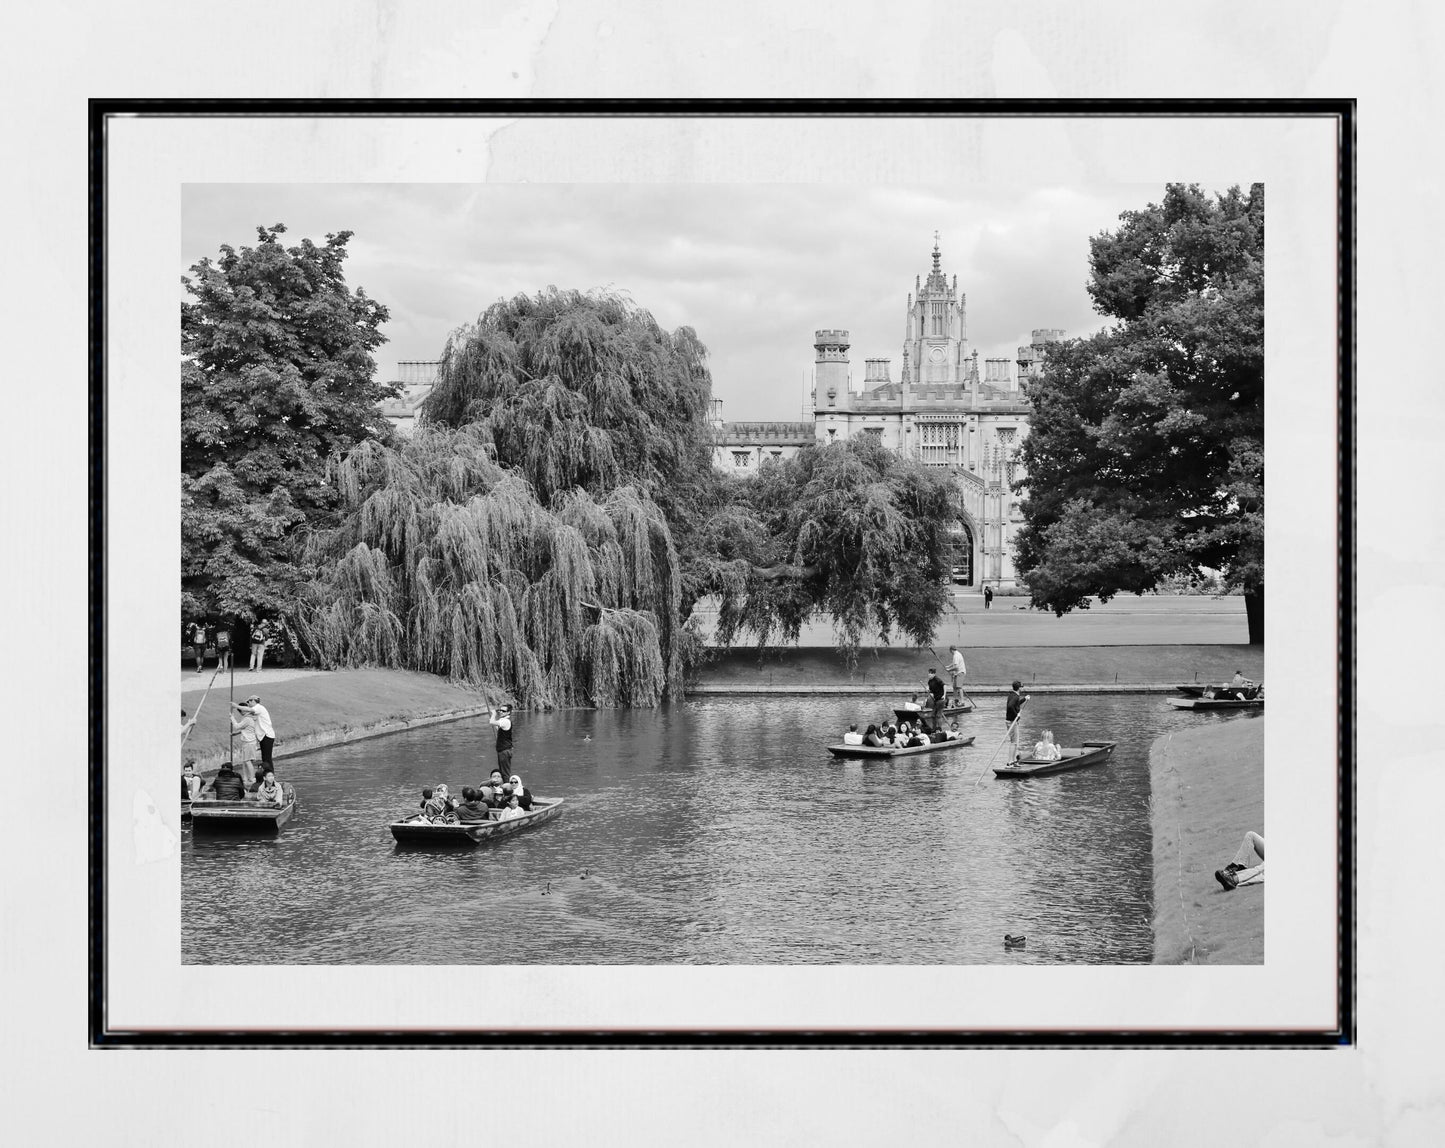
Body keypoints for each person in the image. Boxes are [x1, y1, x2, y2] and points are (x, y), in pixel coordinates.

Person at [234, 695, 276, 768]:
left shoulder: (258, 708)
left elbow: (249, 710)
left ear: (253, 701)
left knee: (267, 758)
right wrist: (237, 733)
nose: (248, 704)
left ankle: (269, 775)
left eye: (248, 702)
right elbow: (251, 727)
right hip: (263, 737)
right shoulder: (256, 712)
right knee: (265, 758)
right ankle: (267, 775)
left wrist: (236, 706)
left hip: (267, 735)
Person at [229, 706, 260, 785]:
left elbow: (237, 726)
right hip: (249, 742)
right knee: (245, 761)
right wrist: (235, 734)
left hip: (249, 742)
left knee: (247, 761)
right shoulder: (250, 718)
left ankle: (252, 779)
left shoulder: (247, 719)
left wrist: (232, 718)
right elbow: (245, 729)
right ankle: (245, 779)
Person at [1005, 680, 1029, 762]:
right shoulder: (1015, 696)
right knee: (1014, 742)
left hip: (1011, 721)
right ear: (1019, 688)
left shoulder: (1012, 695)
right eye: (1021, 688)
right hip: (1012, 722)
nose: (1022, 689)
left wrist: (1024, 699)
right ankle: (1010, 762)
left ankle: (1012, 761)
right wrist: (1016, 715)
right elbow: (1010, 706)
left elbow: (1016, 703)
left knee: (1015, 742)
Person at [489, 703, 514, 777]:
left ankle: (507, 787)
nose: (501, 712)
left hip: (504, 751)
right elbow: (499, 728)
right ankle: (504, 785)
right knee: (502, 771)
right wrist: (495, 723)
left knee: (504, 773)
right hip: (503, 750)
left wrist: (493, 714)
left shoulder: (506, 721)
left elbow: (491, 722)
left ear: (508, 712)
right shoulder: (503, 720)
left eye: (503, 711)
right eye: (500, 710)